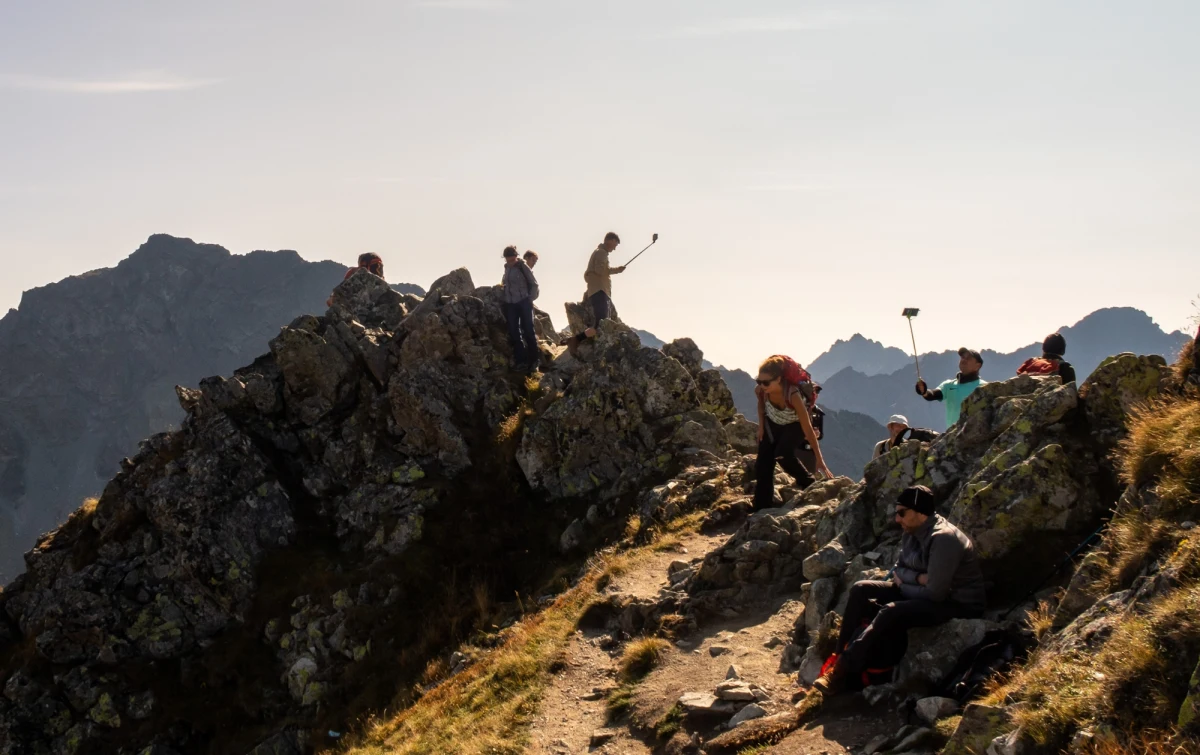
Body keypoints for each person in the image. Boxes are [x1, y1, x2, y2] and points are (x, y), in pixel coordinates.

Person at [811, 486, 986, 696]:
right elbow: (899, 568)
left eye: (902, 513)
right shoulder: (912, 531)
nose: (897, 519)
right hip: (926, 592)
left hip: (957, 604)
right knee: (860, 589)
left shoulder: (944, 539)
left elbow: (934, 594)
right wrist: (917, 579)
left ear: (920, 512)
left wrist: (904, 584)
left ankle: (841, 671)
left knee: (891, 611)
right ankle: (840, 654)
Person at [754, 356, 833, 509]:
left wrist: (819, 458)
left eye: (766, 382)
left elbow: (808, 428)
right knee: (763, 463)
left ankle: (809, 484)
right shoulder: (761, 391)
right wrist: (761, 427)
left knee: (782, 454)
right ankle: (761, 506)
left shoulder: (793, 395)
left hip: (794, 425)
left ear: (778, 379)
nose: (761, 385)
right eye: (759, 381)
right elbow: (761, 406)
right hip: (772, 422)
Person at [559, 232, 625, 351]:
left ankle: (575, 340)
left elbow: (598, 270)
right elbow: (600, 271)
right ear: (610, 240)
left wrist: (617, 270)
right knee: (602, 324)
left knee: (599, 324)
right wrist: (615, 270)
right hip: (600, 291)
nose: (615, 248)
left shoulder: (599, 252)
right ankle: (576, 340)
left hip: (598, 291)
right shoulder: (601, 253)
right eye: (615, 244)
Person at [916, 348, 987, 428]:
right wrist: (924, 391)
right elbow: (932, 394)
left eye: (968, 358)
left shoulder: (984, 387)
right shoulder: (949, 385)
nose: (964, 360)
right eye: (962, 357)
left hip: (976, 436)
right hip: (953, 437)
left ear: (977, 366)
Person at [500, 246, 540, 373]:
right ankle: (521, 361)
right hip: (510, 304)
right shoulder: (506, 268)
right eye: (508, 260)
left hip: (523, 302)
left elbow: (534, 284)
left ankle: (534, 361)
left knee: (528, 330)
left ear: (516, 257)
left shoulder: (522, 267)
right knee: (514, 332)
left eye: (512, 260)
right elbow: (504, 284)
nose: (511, 262)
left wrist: (530, 299)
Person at [872, 415, 940, 459]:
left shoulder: (908, 446)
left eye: (903, 427)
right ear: (891, 427)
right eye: (898, 426)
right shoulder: (880, 446)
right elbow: (873, 468)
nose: (901, 429)